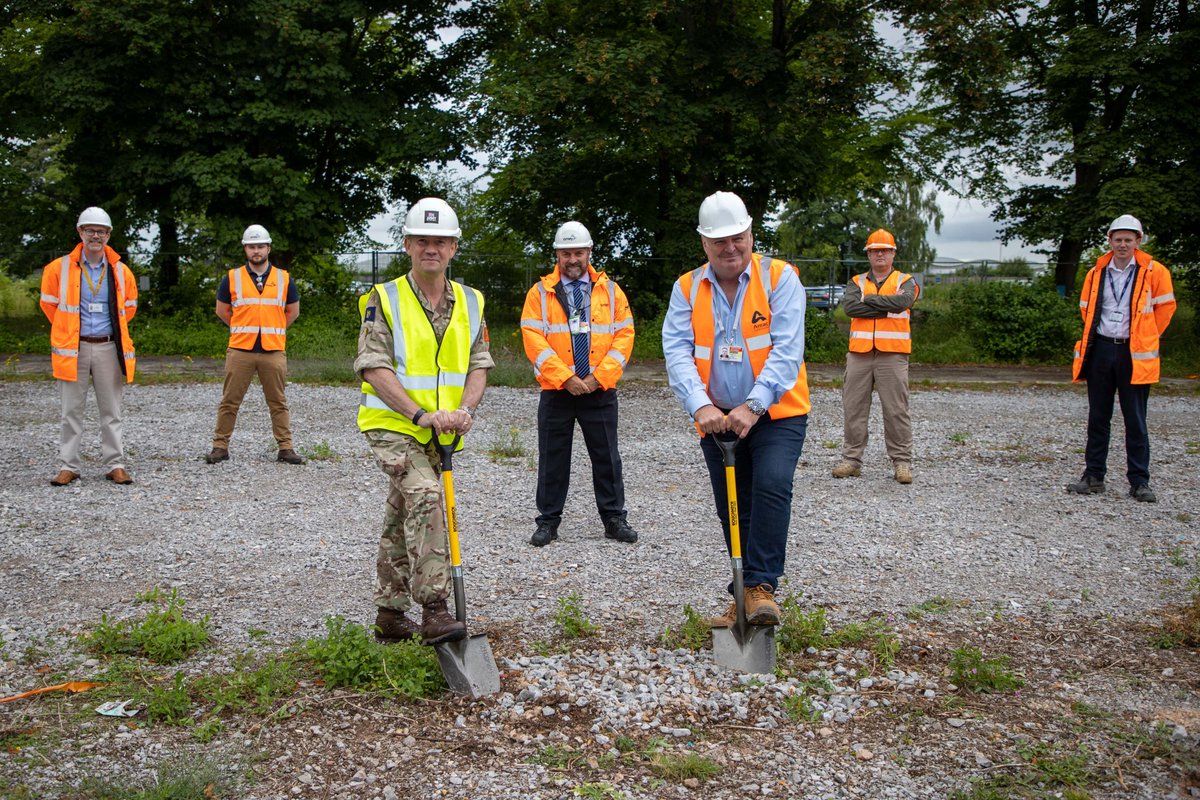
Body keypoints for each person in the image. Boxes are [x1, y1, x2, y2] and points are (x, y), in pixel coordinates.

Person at [662, 191, 809, 627]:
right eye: (719, 241)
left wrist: (754, 404)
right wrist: (699, 405)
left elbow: (787, 350)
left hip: (777, 412)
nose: (731, 248)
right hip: (718, 418)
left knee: (771, 484)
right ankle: (747, 596)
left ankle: (761, 587)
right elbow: (676, 350)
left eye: (738, 237)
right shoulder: (688, 286)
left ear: (751, 233)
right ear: (704, 244)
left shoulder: (780, 278)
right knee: (733, 503)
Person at [354, 197, 492, 645]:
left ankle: (389, 614)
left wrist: (465, 411)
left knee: (402, 511)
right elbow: (373, 366)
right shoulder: (384, 298)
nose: (432, 248)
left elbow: (479, 363)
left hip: (442, 431)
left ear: (453, 248)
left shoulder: (472, 301)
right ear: (408, 245)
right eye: (422, 241)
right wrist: (419, 414)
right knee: (428, 498)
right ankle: (434, 607)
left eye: (441, 241)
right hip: (393, 425)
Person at [520, 221, 638, 547]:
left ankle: (615, 519)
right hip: (557, 391)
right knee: (552, 458)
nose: (573, 259)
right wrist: (566, 378)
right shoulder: (539, 294)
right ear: (557, 254)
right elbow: (533, 340)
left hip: (599, 390)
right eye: (566, 253)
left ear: (589, 252)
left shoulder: (611, 291)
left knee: (607, 457)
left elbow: (624, 337)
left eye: (578, 252)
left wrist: (598, 377)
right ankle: (548, 522)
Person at [1067, 214, 1175, 503]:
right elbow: (1087, 309)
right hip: (1101, 348)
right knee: (1098, 417)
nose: (1123, 245)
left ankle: (1139, 482)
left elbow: (1165, 310)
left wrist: (1145, 335)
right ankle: (1093, 477)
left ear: (1139, 241)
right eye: (1118, 239)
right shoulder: (1096, 273)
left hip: (1134, 352)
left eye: (1129, 240)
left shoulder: (1155, 272)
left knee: (1135, 419)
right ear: (1110, 241)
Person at [40, 207, 139, 486]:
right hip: (75, 347)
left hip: (108, 346)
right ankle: (68, 466)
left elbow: (128, 308)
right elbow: (49, 305)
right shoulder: (57, 268)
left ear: (108, 235)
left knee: (112, 410)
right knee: (70, 411)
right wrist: (67, 330)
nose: (96, 235)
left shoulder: (121, 270)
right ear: (80, 232)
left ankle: (115, 464)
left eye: (101, 231)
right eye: (90, 230)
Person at [204, 225, 303, 465]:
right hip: (240, 350)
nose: (256, 250)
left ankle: (285, 447)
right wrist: (242, 326)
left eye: (260, 246)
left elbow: (293, 312)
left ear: (268, 248)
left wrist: (273, 327)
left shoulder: (284, 278)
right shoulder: (232, 277)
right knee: (229, 401)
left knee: (278, 402)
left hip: (273, 349)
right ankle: (220, 447)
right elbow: (222, 310)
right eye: (251, 246)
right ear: (245, 249)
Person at [831, 229, 921, 484]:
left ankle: (902, 462)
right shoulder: (856, 281)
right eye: (874, 250)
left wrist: (870, 301)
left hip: (892, 355)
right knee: (854, 408)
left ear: (893, 253)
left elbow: (903, 303)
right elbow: (850, 307)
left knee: (896, 410)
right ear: (868, 254)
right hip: (859, 355)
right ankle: (852, 460)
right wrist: (885, 306)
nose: (880, 253)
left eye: (885, 249)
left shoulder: (906, 280)